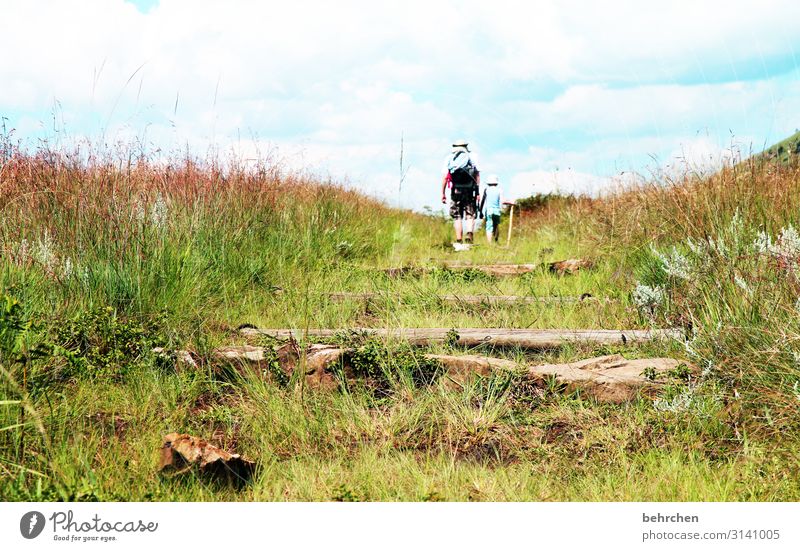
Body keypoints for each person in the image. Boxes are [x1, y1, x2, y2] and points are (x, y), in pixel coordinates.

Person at [441, 139, 480, 244]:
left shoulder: (449, 158)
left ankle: (458, 240)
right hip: (469, 190)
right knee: (470, 214)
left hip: (456, 191)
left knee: (457, 215)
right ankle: (469, 233)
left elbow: (445, 177)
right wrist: (477, 192)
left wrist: (443, 193)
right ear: (466, 146)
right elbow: (477, 175)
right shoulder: (472, 156)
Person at [479, 174, 515, 243]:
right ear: (496, 183)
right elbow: (503, 201)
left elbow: (483, 201)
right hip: (496, 211)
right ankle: (496, 240)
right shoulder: (499, 190)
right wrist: (510, 202)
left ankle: (489, 244)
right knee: (496, 226)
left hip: (489, 211)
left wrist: (480, 211)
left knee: (489, 227)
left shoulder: (486, 190)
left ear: (488, 183)